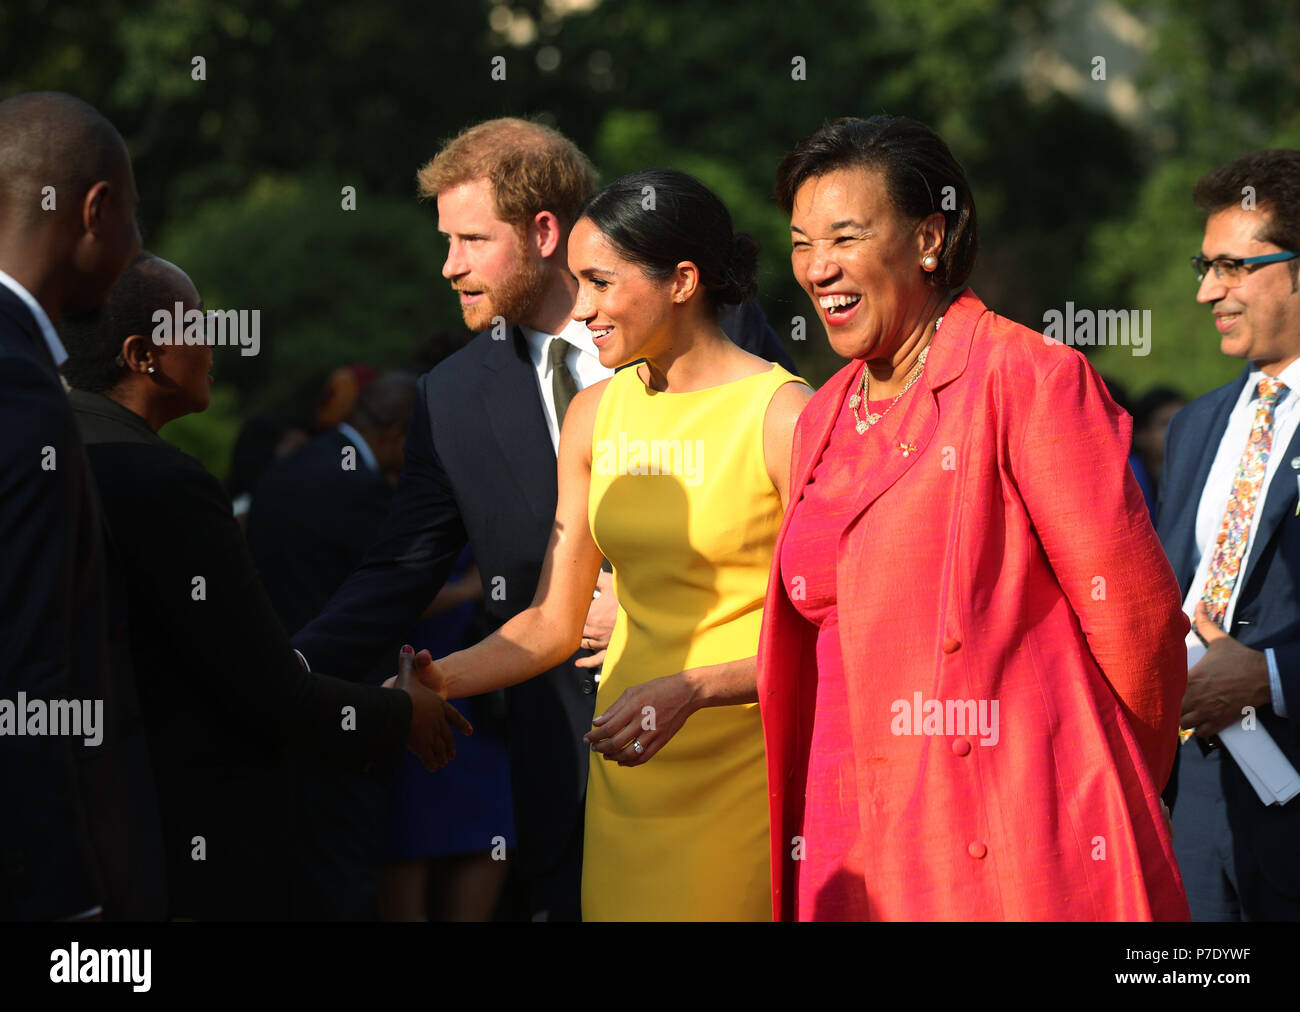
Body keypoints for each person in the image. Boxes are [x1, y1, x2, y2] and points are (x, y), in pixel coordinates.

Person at [292, 118, 794, 921]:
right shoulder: (494, 400)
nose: (448, 265)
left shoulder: (760, 381)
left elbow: (819, 590)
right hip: (589, 763)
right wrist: (339, 678)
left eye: (469, 239)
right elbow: (444, 584)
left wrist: (666, 644)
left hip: (740, 754)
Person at [757, 115, 1190, 921]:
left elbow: (1138, 624)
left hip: (1003, 830)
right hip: (843, 824)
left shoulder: (1028, 377)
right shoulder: (819, 416)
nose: (818, 269)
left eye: (846, 237)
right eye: (801, 243)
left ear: (929, 237)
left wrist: (1109, 790)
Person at [408, 168, 812, 920]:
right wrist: (438, 681)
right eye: (577, 283)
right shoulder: (595, 414)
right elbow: (551, 622)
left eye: (599, 283)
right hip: (627, 768)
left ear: (683, 280)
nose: (582, 309)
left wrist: (693, 689)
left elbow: (839, 634)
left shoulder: (787, 416)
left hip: (747, 766)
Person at [57, 251, 467, 920]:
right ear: (143, 354)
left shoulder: (43, 452)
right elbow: (265, 688)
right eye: (195, 325)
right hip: (183, 829)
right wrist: (400, 711)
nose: (214, 341)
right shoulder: (165, 484)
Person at [0, 91, 165, 921]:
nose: (138, 248)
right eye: (135, 218)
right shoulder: (19, 391)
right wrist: (68, 908)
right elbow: (28, 668)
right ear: (96, 210)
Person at [1157, 149, 1300, 921]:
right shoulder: (1195, 426)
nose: (1208, 290)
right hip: (1192, 796)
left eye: (1233, 267)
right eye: (1205, 266)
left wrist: (1272, 676)